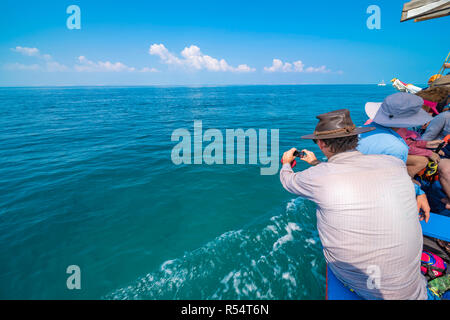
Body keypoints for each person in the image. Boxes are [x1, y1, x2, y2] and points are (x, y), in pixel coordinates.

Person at [280, 109, 429, 299]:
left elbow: (288, 181)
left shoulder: (317, 177)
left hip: (367, 287)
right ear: (356, 138)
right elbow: (348, 174)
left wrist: (286, 163)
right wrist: (317, 163)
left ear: (321, 143)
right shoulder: (392, 162)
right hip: (412, 285)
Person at [361, 92, 450, 210]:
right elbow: (395, 180)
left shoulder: (364, 130)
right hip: (377, 192)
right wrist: (418, 191)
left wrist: (426, 144)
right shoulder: (397, 147)